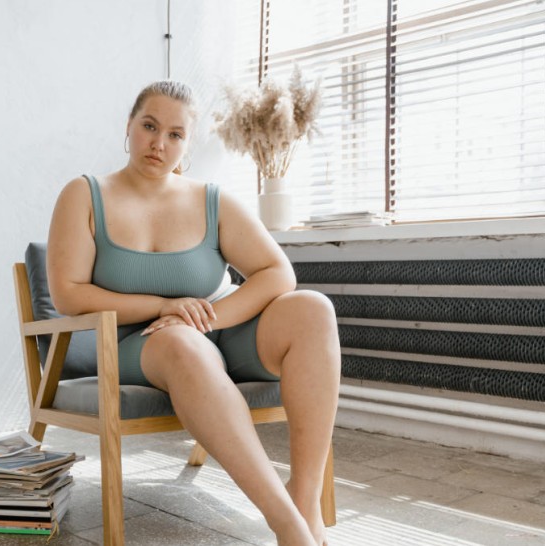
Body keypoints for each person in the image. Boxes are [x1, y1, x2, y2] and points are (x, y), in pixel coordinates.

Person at [46, 80, 341, 546]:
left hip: (213, 334)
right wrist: (166, 309)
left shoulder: (212, 199)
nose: (159, 143)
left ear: (188, 143)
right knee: (181, 342)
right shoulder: (84, 195)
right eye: (149, 126)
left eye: (175, 134)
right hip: (135, 345)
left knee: (312, 308)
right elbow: (68, 295)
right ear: (129, 126)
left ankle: (304, 500)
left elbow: (277, 272)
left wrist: (208, 319)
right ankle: (287, 525)